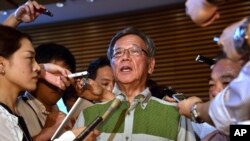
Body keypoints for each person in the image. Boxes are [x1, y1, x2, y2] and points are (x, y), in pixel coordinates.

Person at [74, 27, 196, 141]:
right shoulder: (87, 115)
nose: (125, 57)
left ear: (151, 65)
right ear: (112, 65)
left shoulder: (174, 114)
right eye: (118, 53)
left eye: (134, 51)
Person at [177, 16, 250, 136]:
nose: (215, 92)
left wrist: (194, 109)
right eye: (211, 84)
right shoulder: (206, 126)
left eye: (227, 82)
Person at [16, 42, 77, 140]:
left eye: (65, 77)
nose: (59, 83)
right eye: (53, 74)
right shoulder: (15, 109)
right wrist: (45, 133)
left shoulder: (65, 116)